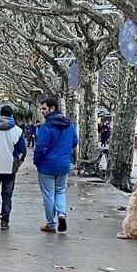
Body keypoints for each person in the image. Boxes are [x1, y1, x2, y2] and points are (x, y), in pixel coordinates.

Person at [34, 98, 78, 233]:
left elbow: (40, 147)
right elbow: (75, 141)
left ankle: (51, 224)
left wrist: (37, 161)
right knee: (60, 191)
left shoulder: (46, 127)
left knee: (48, 195)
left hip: (47, 165)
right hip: (63, 165)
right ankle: (61, 214)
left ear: (52, 108)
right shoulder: (69, 125)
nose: (42, 112)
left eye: (44, 109)